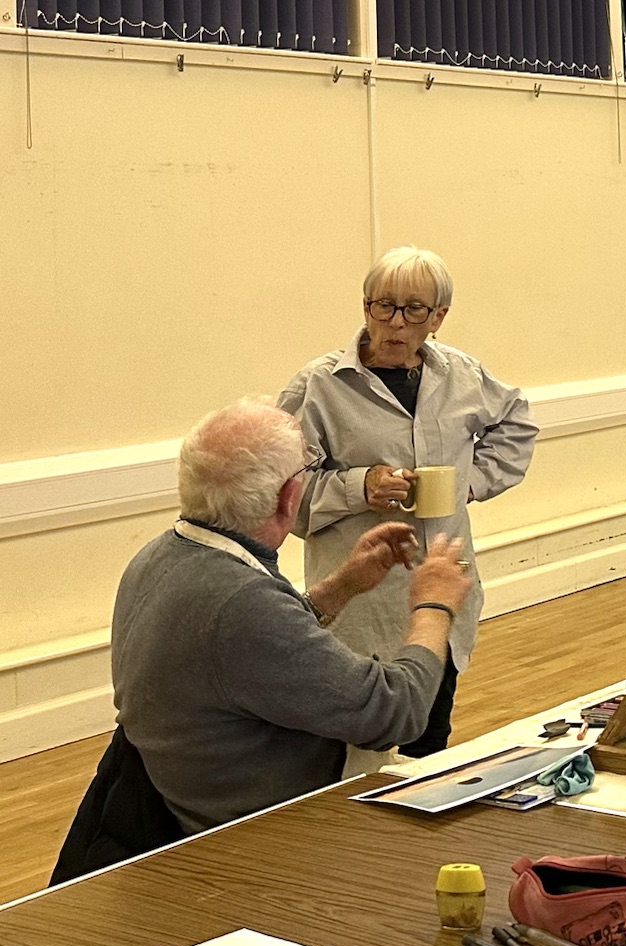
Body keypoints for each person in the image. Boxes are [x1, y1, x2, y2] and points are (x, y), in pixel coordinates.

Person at [107, 400, 472, 836]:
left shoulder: (158, 557)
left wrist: (340, 587)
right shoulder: (239, 601)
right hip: (279, 827)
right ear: (287, 498)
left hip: (194, 801)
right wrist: (434, 605)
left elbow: (253, 654)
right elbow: (397, 712)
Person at [279, 247, 536, 758]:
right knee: (361, 755)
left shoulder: (462, 375)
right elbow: (284, 494)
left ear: (438, 317)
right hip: (362, 608)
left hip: (441, 596)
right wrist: (360, 486)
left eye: (414, 309)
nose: (396, 322)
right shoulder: (319, 386)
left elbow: (517, 426)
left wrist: (469, 483)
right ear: (366, 307)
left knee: (429, 745)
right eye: (384, 306)